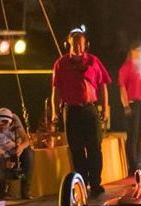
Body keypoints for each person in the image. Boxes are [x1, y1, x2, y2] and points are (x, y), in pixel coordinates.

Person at [51, 27, 111, 196]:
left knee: (94, 148)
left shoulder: (93, 61)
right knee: (76, 150)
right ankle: (82, 182)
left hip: (89, 110)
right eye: (74, 43)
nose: (78, 47)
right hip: (71, 111)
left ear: (86, 45)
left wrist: (105, 109)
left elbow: (103, 86)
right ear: (68, 44)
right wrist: (55, 112)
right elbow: (55, 90)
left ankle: (96, 183)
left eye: (81, 43)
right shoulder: (60, 64)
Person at [0, 108, 33, 199]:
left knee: (28, 154)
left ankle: (25, 191)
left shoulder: (15, 119)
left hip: (14, 149)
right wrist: (5, 160)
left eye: (6, 124)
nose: (3, 127)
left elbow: (26, 140)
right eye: (0, 125)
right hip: (0, 154)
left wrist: (21, 147)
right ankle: (2, 189)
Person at [119, 45, 141, 175]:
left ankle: (136, 163)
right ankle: (132, 166)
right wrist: (126, 105)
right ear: (131, 51)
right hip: (132, 104)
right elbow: (122, 88)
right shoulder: (126, 68)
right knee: (132, 136)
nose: (139, 53)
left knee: (139, 134)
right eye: (137, 50)